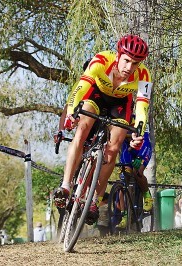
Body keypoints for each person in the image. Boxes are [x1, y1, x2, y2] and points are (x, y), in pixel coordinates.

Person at [53, 34, 152, 225]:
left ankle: (95, 202)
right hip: (96, 96)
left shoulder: (144, 75)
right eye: (126, 61)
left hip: (121, 104)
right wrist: (72, 113)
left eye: (135, 64)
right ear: (118, 55)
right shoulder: (100, 60)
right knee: (82, 129)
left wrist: (138, 131)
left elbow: (142, 107)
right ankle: (65, 187)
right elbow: (79, 89)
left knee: (113, 149)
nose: (129, 68)